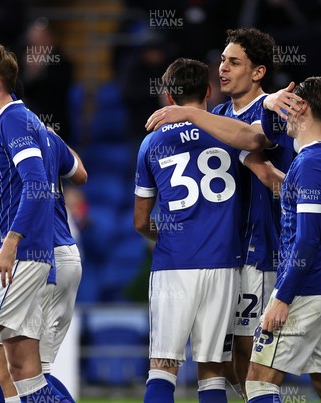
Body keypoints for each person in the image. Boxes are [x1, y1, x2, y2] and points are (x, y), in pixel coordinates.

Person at [146, 28, 294, 400]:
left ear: (258, 72)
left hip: (260, 253)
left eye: (233, 62)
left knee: (249, 359)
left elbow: (255, 142)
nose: (222, 68)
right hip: (224, 257)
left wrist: (185, 113)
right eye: (222, 61)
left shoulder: (270, 110)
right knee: (220, 362)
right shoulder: (221, 115)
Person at [134, 58, 244, 403]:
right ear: (209, 91)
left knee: (163, 366)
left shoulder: (151, 144)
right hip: (225, 263)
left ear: (167, 96)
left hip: (174, 263)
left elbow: (139, 221)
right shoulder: (230, 134)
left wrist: (167, 234)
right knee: (212, 369)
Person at [0, 43, 67, 402]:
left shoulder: (13, 119)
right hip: (26, 256)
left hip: (21, 257)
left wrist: (10, 244)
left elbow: (37, 184)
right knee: (26, 373)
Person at [247, 77, 321, 403]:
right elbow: (275, 135)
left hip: (305, 291)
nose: (285, 112)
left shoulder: (311, 165)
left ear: (303, 107)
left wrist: (283, 298)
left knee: (259, 382)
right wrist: (269, 104)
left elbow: (307, 240)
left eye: (290, 104)